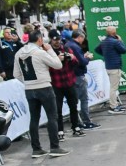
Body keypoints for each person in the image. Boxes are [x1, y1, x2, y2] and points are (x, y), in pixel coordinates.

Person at [13, 31, 71, 159]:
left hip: (29, 88)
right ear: (39, 39)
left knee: (34, 118)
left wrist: (28, 82)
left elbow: (16, 74)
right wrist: (50, 50)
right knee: (52, 116)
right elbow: (58, 65)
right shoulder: (39, 52)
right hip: (44, 86)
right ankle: (54, 147)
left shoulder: (19, 53)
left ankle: (36, 149)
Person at [49, 36, 85, 139]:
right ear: (51, 40)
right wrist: (57, 59)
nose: (57, 42)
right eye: (55, 40)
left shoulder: (66, 49)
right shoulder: (48, 52)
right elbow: (46, 68)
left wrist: (72, 58)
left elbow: (76, 63)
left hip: (69, 82)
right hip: (56, 83)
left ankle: (76, 127)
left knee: (73, 106)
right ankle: (60, 130)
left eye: (58, 40)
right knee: (58, 109)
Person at [66, 30, 98, 129]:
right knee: (84, 99)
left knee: (74, 100)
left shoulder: (68, 45)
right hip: (78, 75)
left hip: (71, 75)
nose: (83, 40)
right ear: (80, 37)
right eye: (83, 38)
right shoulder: (75, 46)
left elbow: (77, 60)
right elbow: (82, 62)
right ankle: (86, 121)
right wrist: (88, 58)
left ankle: (77, 122)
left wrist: (83, 57)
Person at [95, 26, 126, 113]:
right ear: (114, 33)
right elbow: (124, 50)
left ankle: (115, 103)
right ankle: (113, 106)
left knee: (113, 87)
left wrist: (106, 54)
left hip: (108, 66)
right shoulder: (115, 41)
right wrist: (120, 40)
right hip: (115, 67)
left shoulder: (104, 41)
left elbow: (97, 49)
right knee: (113, 88)